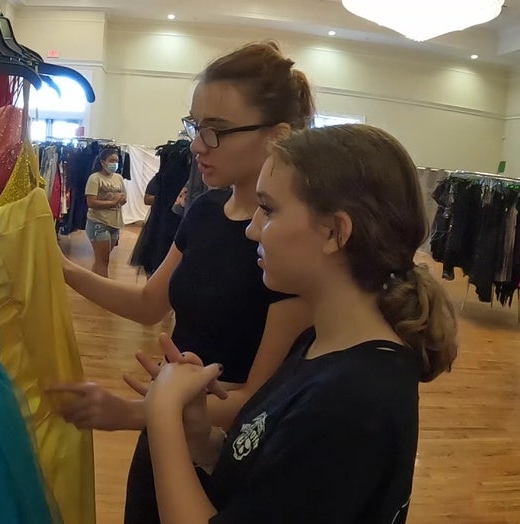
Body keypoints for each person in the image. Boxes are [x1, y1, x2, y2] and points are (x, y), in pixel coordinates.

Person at [137, 124, 459, 522]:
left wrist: (164, 414)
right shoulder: (319, 346)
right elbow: (280, 484)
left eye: (269, 209)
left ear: (335, 232)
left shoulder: (354, 399)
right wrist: (202, 439)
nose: (253, 227)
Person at [52, 41, 315, 523]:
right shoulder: (205, 210)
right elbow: (151, 303)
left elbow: (255, 403)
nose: (197, 145)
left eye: (215, 131)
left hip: (219, 448)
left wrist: (136, 412)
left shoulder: (287, 245)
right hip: (166, 424)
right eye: (195, 127)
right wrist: (63, 271)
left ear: (278, 137)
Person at [85, 147, 127, 277]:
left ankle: (91, 285)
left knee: (101, 259)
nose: (115, 163)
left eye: (117, 160)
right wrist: (113, 202)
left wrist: (120, 199)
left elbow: (124, 198)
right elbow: (91, 202)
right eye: (111, 160)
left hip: (115, 224)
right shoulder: (94, 178)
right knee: (104, 261)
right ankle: (102, 292)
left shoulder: (119, 178)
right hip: (98, 223)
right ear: (103, 162)